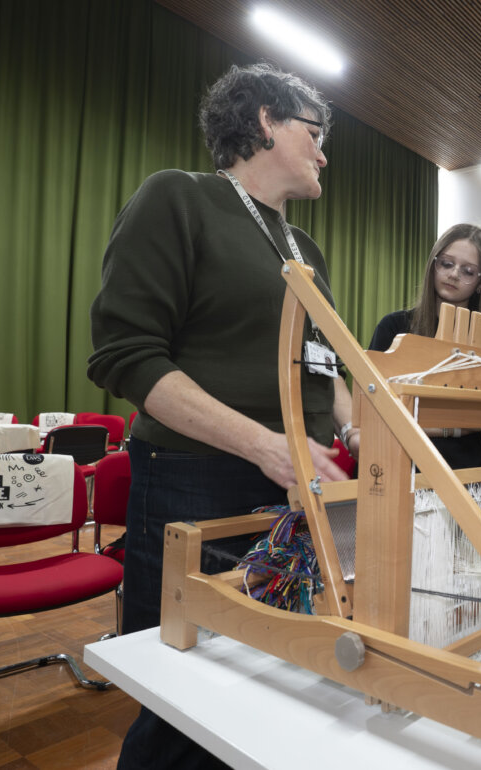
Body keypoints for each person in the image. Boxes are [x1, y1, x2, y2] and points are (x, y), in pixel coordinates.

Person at [88, 63, 357, 769]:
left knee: (265, 685)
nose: (324, 152)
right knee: (184, 701)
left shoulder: (308, 250)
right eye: (314, 132)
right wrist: (265, 445)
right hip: (195, 482)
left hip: (292, 490)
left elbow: (323, 368)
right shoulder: (179, 198)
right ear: (265, 120)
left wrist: (359, 428)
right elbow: (129, 357)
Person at [368, 224, 481, 468]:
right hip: (401, 464)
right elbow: (375, 405)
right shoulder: (394, 327)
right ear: (433, 264)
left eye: (468, 271)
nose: (454, 274)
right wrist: (458, 427)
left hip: (471, 472)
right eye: (447, 264)